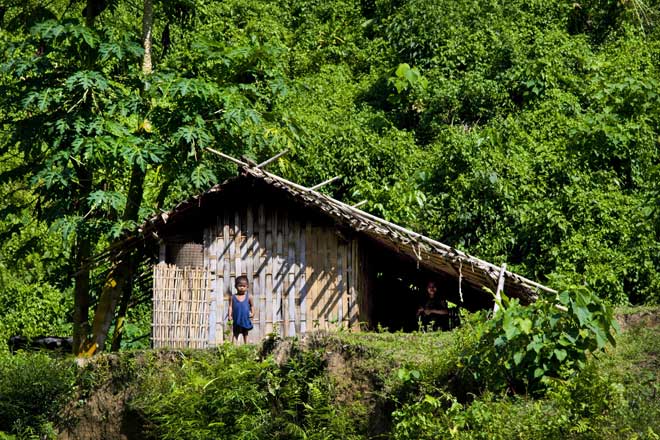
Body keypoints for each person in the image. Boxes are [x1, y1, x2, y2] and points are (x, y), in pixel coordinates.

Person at [228, 275, 254, 344]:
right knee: (235, 333)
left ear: (247, 287)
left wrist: (252, 313)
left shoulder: (249, 297)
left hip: (245, 318)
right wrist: (230, 315)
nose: (242, 288)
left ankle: (246, 348)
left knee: (245, 333)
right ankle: (233, 349)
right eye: (240, 286)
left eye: (244, 286)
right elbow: (230, 306)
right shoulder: (233, 297)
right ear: (235, 286)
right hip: (237, 318)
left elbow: (252, 306)